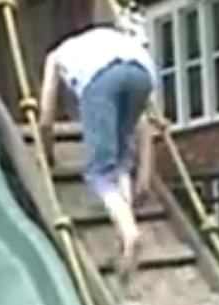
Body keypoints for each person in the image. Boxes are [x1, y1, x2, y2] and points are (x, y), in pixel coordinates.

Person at [37, 7, 160, 287]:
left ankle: (129, 232)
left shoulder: (56, 56)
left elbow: (45, 116)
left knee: (99, 172)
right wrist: (144, 175)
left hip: (100, 79)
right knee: (120, 161)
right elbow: (143, 123)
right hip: (143, 72)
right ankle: (123, 236)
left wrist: (46, 153)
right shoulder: (108, 38)